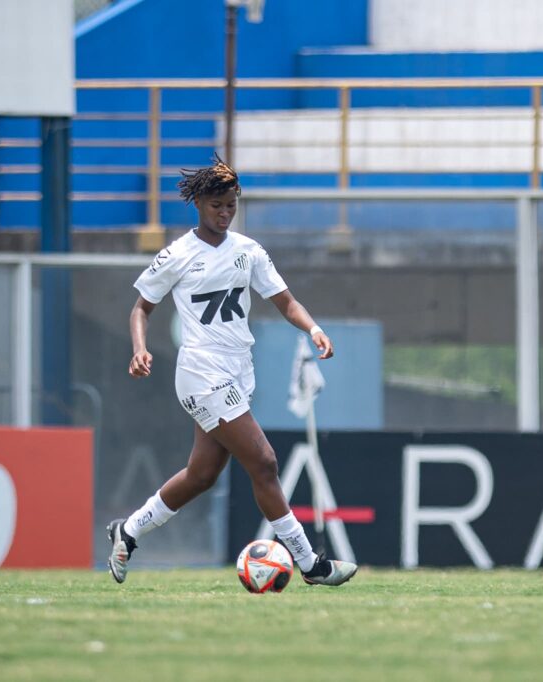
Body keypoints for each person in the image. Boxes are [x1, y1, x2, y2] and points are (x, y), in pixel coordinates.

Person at [106, 154, 357, 587]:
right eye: (217, 205)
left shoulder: (249, 251)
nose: (224, 214)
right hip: (201, 372)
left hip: (240, 370)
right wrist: (140, 349)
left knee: (202, 475)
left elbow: (286, 302)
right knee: (263, 461)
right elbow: (141, 308)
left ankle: (128, 531)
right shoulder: (178, 254)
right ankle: (310, 564)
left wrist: (313, 328)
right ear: (199, 202)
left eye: (231, 206)